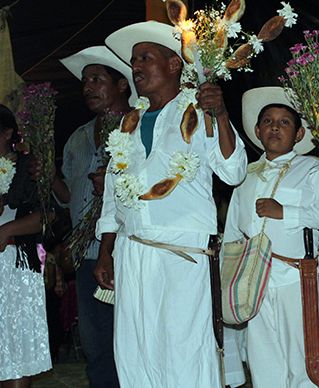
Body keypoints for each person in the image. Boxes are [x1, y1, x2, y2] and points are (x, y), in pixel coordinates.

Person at [95, 21, 247, 387]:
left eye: (145, 58)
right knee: (134, 351)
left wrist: (222, 115)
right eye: (133, 61)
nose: (136, 67)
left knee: (183, 352)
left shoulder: (201, 109)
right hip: (131, 253)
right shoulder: (126, 125)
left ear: (174, 65)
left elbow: (233, 171)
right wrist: (105, 252)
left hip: (182, 252)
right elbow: (113, 197)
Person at [223, 86, 319, 387]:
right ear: (257, 130)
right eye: (268, 121)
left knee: (311, 360)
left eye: (285, 122)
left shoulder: (313, 169)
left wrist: (285, 212)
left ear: (299, 135)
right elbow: (233, 235)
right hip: (255, 283)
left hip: (297, 279)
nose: (275, 126)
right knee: (265, 363)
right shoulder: (244, 176)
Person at [46, 45, 134, 388]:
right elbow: (69, 198)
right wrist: (47, 177)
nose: (87, 87)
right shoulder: (78, 138)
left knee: (129, 336)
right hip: (88, 256)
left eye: (97, 79)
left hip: (127, 251)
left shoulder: (137, 127)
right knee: (95, 340)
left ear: (121, 85)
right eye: (85, 81)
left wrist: (116, 183)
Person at [0, 104, 52, 388]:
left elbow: (48, 215)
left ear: (8, 133)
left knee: (16, 351)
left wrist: (7, 230)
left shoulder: (28, 166)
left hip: (15, 267)